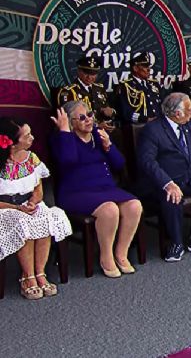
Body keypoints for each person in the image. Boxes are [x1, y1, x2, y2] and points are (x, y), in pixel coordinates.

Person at [50, 102, 142, 278]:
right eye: (82, 117)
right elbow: (68, 160)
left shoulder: (98, 135)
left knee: (134, 205)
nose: (88, 120)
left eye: (90, 115)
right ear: (70, 122)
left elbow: (119, 164)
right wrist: (64, 131)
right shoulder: (61, 138)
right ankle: (106, 256)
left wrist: (109, 146)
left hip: (105, 188)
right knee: (109, 210)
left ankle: (121, 253)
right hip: (76, 191)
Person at [136, 93, 191, 262]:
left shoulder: (189, 124)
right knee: (172, 197)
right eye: (189, 109)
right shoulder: (153, 130)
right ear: (177, 113)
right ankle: (175, 243)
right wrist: (167, 183)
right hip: (163, 182)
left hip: (189, 178)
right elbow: (147, 161)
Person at [0, 117, 71, 299]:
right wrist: (17, 208)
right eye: (27, 135)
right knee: (23, 222)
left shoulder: (32, 158)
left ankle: (40, 273)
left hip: (26, 205)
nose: (32, 138)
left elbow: (38, 188)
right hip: (5, 208)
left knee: (45, 216)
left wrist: (34, 201)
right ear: (12, 143)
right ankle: (27, 276)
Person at [56, 56, 116, 132]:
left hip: (102, 131)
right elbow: (69, 120)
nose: (89, 77)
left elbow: (108, 109)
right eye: (86, 73)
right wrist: (96, 126)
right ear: (79, 71)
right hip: (80, 132)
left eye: (93, 74)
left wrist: (109, 112)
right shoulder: (69, 91)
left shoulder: (99, 88)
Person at [115, 52, 165, 125]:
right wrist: (145, 119)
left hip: (159, 124)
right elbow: (126, 112)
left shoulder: (154, 84)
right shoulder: (126, 86)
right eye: (145, 66)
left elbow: (163, 103)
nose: (148, 69)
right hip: (140, 125)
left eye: (148, 66)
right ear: (135, 68)